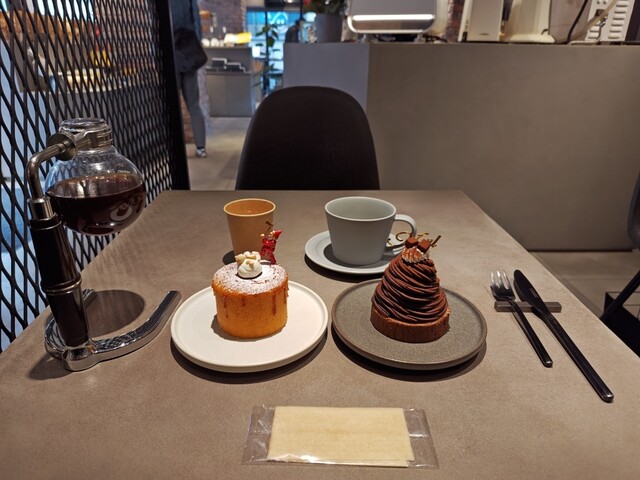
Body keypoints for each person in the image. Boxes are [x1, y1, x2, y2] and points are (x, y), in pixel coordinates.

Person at [170, 0, 208, 158]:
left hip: (172, 54)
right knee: (194, 105)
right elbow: (197, 23)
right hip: (189, 53)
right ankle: (201, 148)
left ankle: (175, 148)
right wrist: (197, 44)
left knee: (173, 106)